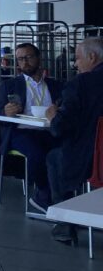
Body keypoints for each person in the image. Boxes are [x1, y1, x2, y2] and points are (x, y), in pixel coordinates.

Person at [45, 37, 103, 245]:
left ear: (92, 57)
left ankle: (64, 223)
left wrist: (52, 115)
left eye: (77, 59)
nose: (75, 64)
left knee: (55, 157)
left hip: (91, 158)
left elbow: (60, 127)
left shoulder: (81, 84)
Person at [0, 42, 61, 212]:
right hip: (21, 131)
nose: (24, 62)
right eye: (20, 59)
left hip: (49, 130)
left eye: (28, 57)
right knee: (37, 153)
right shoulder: (10, 85)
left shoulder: (55, 85)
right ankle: (43, 195)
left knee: (64, 151)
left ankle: (62, 195)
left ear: (38, 58)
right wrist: (6, 112)